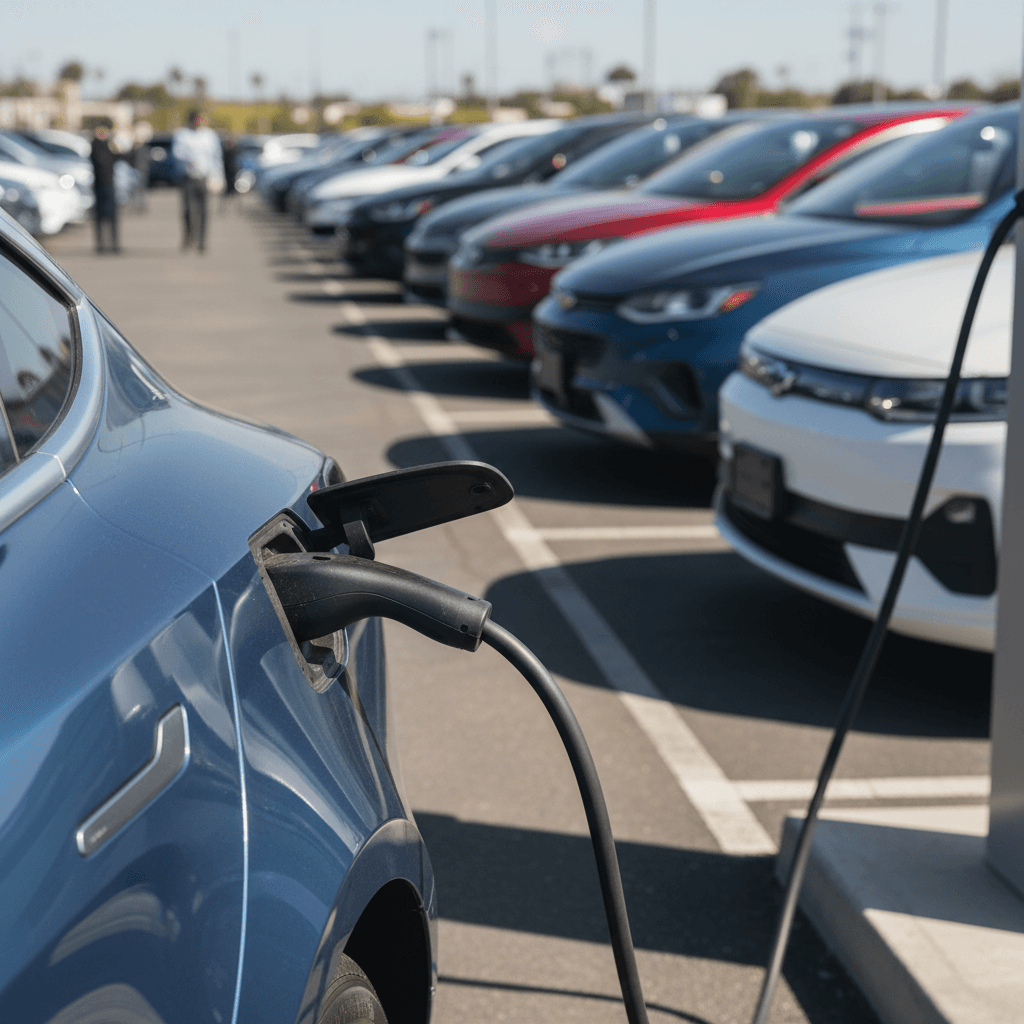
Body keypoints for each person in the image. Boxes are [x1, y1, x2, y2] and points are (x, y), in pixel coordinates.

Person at [172, 110, 223, 252]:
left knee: (204, 211)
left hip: (204, 177)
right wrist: (190, 158)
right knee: (188, 210)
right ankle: (189, 237)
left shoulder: (210, 135)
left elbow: (216, 157)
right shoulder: (182, 135)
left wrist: (218, 176)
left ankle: (202, 241)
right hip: (188, 178)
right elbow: (177, 153)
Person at [89, 121, 119, 254]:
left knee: (112, 217)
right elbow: (101, 161)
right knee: (100, 217)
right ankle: (101, 245)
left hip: (110, 185)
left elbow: (118, 157)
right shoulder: (95, 145)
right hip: (100, 186)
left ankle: (114, 244)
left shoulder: (109, 145)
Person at [221, 134, 238, 212]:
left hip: (231, 174)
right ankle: (225, 208)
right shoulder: (226, 151)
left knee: (232, 193)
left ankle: (233, 208)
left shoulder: (233, 151)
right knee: (227, 193)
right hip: (228, 174)